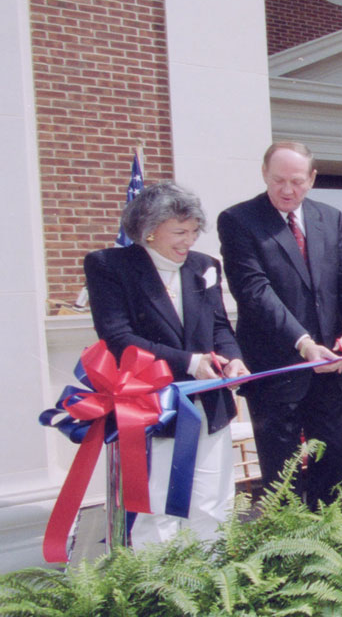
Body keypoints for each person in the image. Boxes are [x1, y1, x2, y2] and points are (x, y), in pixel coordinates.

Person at [85, 182, 251, 547]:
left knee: (212, 504)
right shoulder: (109, 266)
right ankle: (160, 595)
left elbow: (219, 326)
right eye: (179, 231)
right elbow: (118, 337)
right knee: (157, 508)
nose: (188, 241)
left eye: (193, 231)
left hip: (208, 404)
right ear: (149, 230)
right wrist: (190, 362)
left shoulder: (206, 267)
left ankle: (209, 587)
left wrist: (234, 359)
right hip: (150, 406)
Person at [217, 141, 342, 509]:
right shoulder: (239, 221)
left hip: (330, 369)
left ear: (312, 178)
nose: (288, 190)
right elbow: (254, 292)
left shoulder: (329, 218)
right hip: (276, 369)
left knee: (331, 469)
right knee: (280, 479)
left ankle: (332, 548)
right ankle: (286, 556)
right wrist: (302, 342)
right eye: (278, 180)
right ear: (264, 175)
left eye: (297, 181)